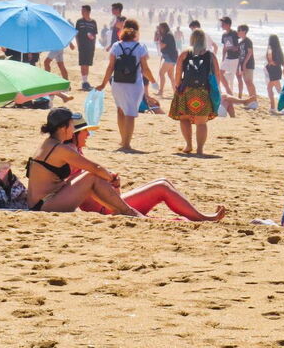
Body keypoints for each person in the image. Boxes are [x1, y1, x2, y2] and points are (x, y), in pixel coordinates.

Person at [72, 115, 226, 220]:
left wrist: (115, 185)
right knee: (161, 187)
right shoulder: (72, 159)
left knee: (163, 181)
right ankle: (202, 218)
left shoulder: (76, 154)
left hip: (109, 205)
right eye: (85, 131)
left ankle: (199, 216)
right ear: (74, 134)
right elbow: (86, 192)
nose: (88, 135)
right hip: (105, 210)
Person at [25, 108, 145, 213]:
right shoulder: (59, 149)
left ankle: (118, 209)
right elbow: (94, 168)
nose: (73, 129)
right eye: (72, 125)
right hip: (44, 205)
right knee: (92, 176)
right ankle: (128, 211)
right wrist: (111, 178)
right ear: (63, 128)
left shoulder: (48, 143)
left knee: (89, 176)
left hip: (41, 202)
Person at [96, 20, 156, 152]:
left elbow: (110, 67)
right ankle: (127, 144)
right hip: (134, 84)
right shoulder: (140, 47)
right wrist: (153, 81)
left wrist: (103, 84)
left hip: (117, 83)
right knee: (130, 112)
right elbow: (145, 69)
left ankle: (123, 140)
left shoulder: (116, 46)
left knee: (120, 110)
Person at [168, 29, 223, 155]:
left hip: (186, 90)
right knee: (201, 123)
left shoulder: (185, 54)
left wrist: (177, 86)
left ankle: (188, 145)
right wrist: (216, 88)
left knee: (184, 119)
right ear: (204, 40)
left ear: (191, 39)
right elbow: (217, 74)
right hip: (203, 91)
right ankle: (200, 149)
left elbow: (178, 72)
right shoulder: (210, 55)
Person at [75, 5, 98, 90]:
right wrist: (78, 45)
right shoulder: (79, 21)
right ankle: (84, 82)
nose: (82, 12)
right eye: (81, 10)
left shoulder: (93, 22)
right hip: (82, 46)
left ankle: (85, 81)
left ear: (88, 12)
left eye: (83, 11)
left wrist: (94, 45)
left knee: (87, 64)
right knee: (82, 64)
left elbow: (94, 35)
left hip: (90, 46)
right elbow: (76, 34)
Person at [219, 16, 240, 95]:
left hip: (235, 58)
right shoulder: (224, 35)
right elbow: (224, 48)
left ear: (228, 24)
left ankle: (239, 95)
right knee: (220, 73)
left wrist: (231, 47)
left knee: (237, 77)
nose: (221, 25)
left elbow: (237, 47)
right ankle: (228, 91)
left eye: (223, 24)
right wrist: (223, 59)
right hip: (228, 58)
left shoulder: (234, 33)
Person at [156, 22, 178, 97]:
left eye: (160, 28)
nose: (159, 29)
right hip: (172, 57)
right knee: (171, 75)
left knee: (161, 73)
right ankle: (175, 92)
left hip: (170, 57)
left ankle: (161, 91)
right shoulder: (168, 34)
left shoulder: (167, 35)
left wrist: (159, 37)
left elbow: (162, 46)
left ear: (163, 28)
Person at [265, 34, 284, 114]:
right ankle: (273, 107)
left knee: (277, 89)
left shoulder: (270, 48)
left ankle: (281, 107)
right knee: (274, 88)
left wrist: (269, 63)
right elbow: (281, 62)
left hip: (273, 71)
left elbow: (270, 59)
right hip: (277, 70)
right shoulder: (279, 49)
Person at [237, 24, 257, 102]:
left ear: (244, 31)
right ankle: (251, 99)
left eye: (239, 30)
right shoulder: (241, 42)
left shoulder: (248, 41)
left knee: (249, 82)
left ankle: (254, 100)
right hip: (243, 65)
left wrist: (244, 63)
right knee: (247, 82)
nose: (237, 32)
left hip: (249, 64)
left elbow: (250, 52)